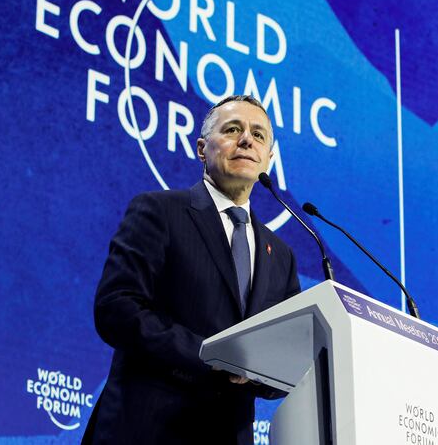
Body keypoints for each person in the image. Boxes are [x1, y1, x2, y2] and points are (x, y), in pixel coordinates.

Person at [83, 95, 301, 444]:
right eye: (232, 129)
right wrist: (210, 355)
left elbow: (288, 362)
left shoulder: (282, 256)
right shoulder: (159, 211)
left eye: (259, 135)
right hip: (145, 430)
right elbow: (117, 308)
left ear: (269, 159)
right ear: (202, 148)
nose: (247, 139)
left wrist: (258, 373)